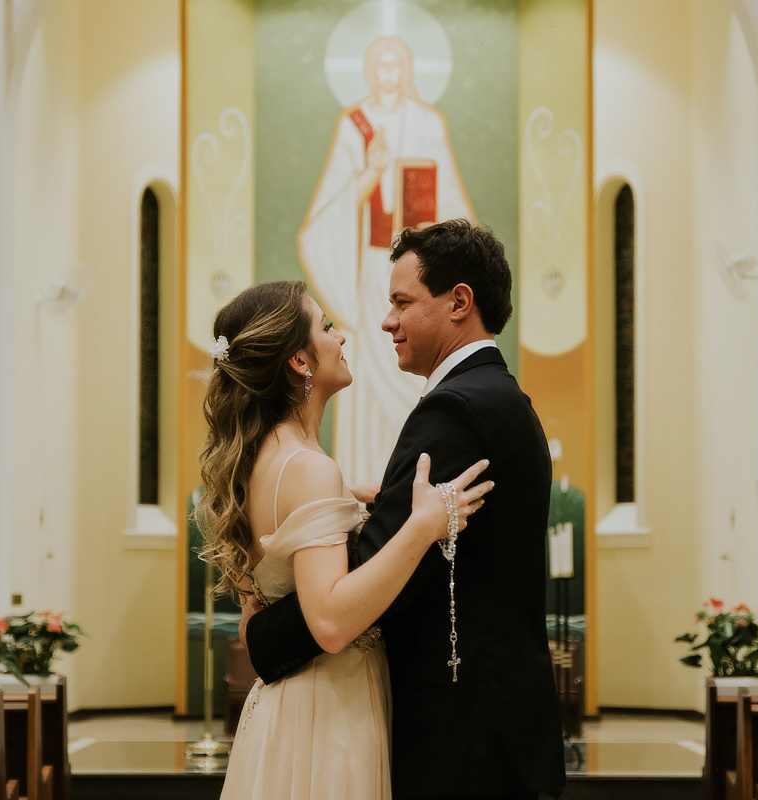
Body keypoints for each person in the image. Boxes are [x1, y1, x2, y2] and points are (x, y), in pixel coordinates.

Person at [245, 220, 567, 800]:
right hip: (494, 721)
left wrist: (264, 632)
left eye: (401, 301)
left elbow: (370, 578)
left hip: (466, 737)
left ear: (459, 301)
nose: (386, 321)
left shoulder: (456, 410)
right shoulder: (496, 397)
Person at [197, 280, 494, 800]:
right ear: (299, 362)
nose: (342, 338)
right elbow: (331, 623)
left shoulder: (264, 458)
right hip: (328, 715)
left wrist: (353, 506)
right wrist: (423, 526)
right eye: (326, 328)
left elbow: (254, 620)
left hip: (286, 710)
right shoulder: (308, 468)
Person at [298, 34, 476, 486]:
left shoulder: (428, 123)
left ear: (409, 72)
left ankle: (420, 485)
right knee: (373, 373)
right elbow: (328, 213)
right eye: (380, 65)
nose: (388, 75)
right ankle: (366, 489)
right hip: (370, 272)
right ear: (368, 72)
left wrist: (461, 255)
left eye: (397, 66)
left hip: (424, 274)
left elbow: (452, 199)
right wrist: (372, 171)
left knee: (417, 377)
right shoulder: (354, 126)